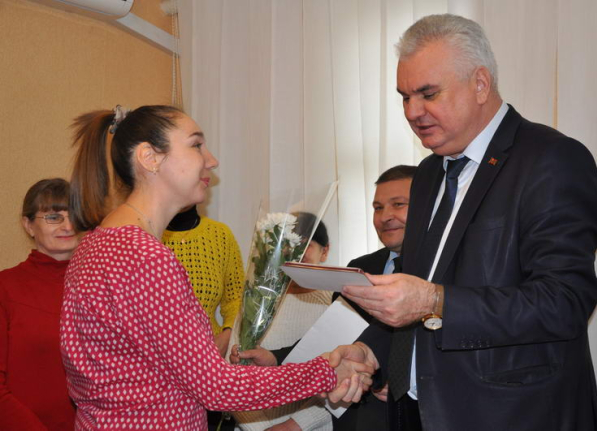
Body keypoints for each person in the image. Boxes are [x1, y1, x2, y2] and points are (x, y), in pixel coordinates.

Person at [341, 14, 597, 430]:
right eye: (404, 97)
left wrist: (434, 302)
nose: (412, 111)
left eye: (428, 94)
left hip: (511, 416)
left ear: (480, 83)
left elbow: (564, 302)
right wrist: (369, 351)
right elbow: (420, 285)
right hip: (419, 413)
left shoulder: (551, 159)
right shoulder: (428, 173)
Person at [60, 105, 373, 430]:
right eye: (196, 145)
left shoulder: (93, 245)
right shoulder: (145, 257)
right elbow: (217, 387)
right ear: (149, 157)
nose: (211, 160)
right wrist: (326, 372)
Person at [231, 213, 334, 431]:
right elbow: (232, 369)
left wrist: (292, 426)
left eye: (305, 245)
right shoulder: (257, 298)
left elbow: (339, 374)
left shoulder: (335, 303)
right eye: (288, 245)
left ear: (325, 251)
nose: (296, 253)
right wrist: (259, 428)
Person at [333, 164, 416, 431]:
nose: (385, 217)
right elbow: (333, 336)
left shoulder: (443, 274)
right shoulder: (358, 267)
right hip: (354, 415)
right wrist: (273, 358)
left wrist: (408, 377)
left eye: (398, 204)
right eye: (378, 208)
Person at [0, 178, 79, 430]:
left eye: (74, 215)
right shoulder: (5, 288)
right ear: (28, 225)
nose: (68, 225)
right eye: (54, 217)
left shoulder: (100, 285)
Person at [163, 205, 244, 357]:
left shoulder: (220, 234)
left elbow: (236, 297)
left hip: (210, 353)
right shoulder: (144, 236)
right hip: (158, 356)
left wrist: (227, 334)